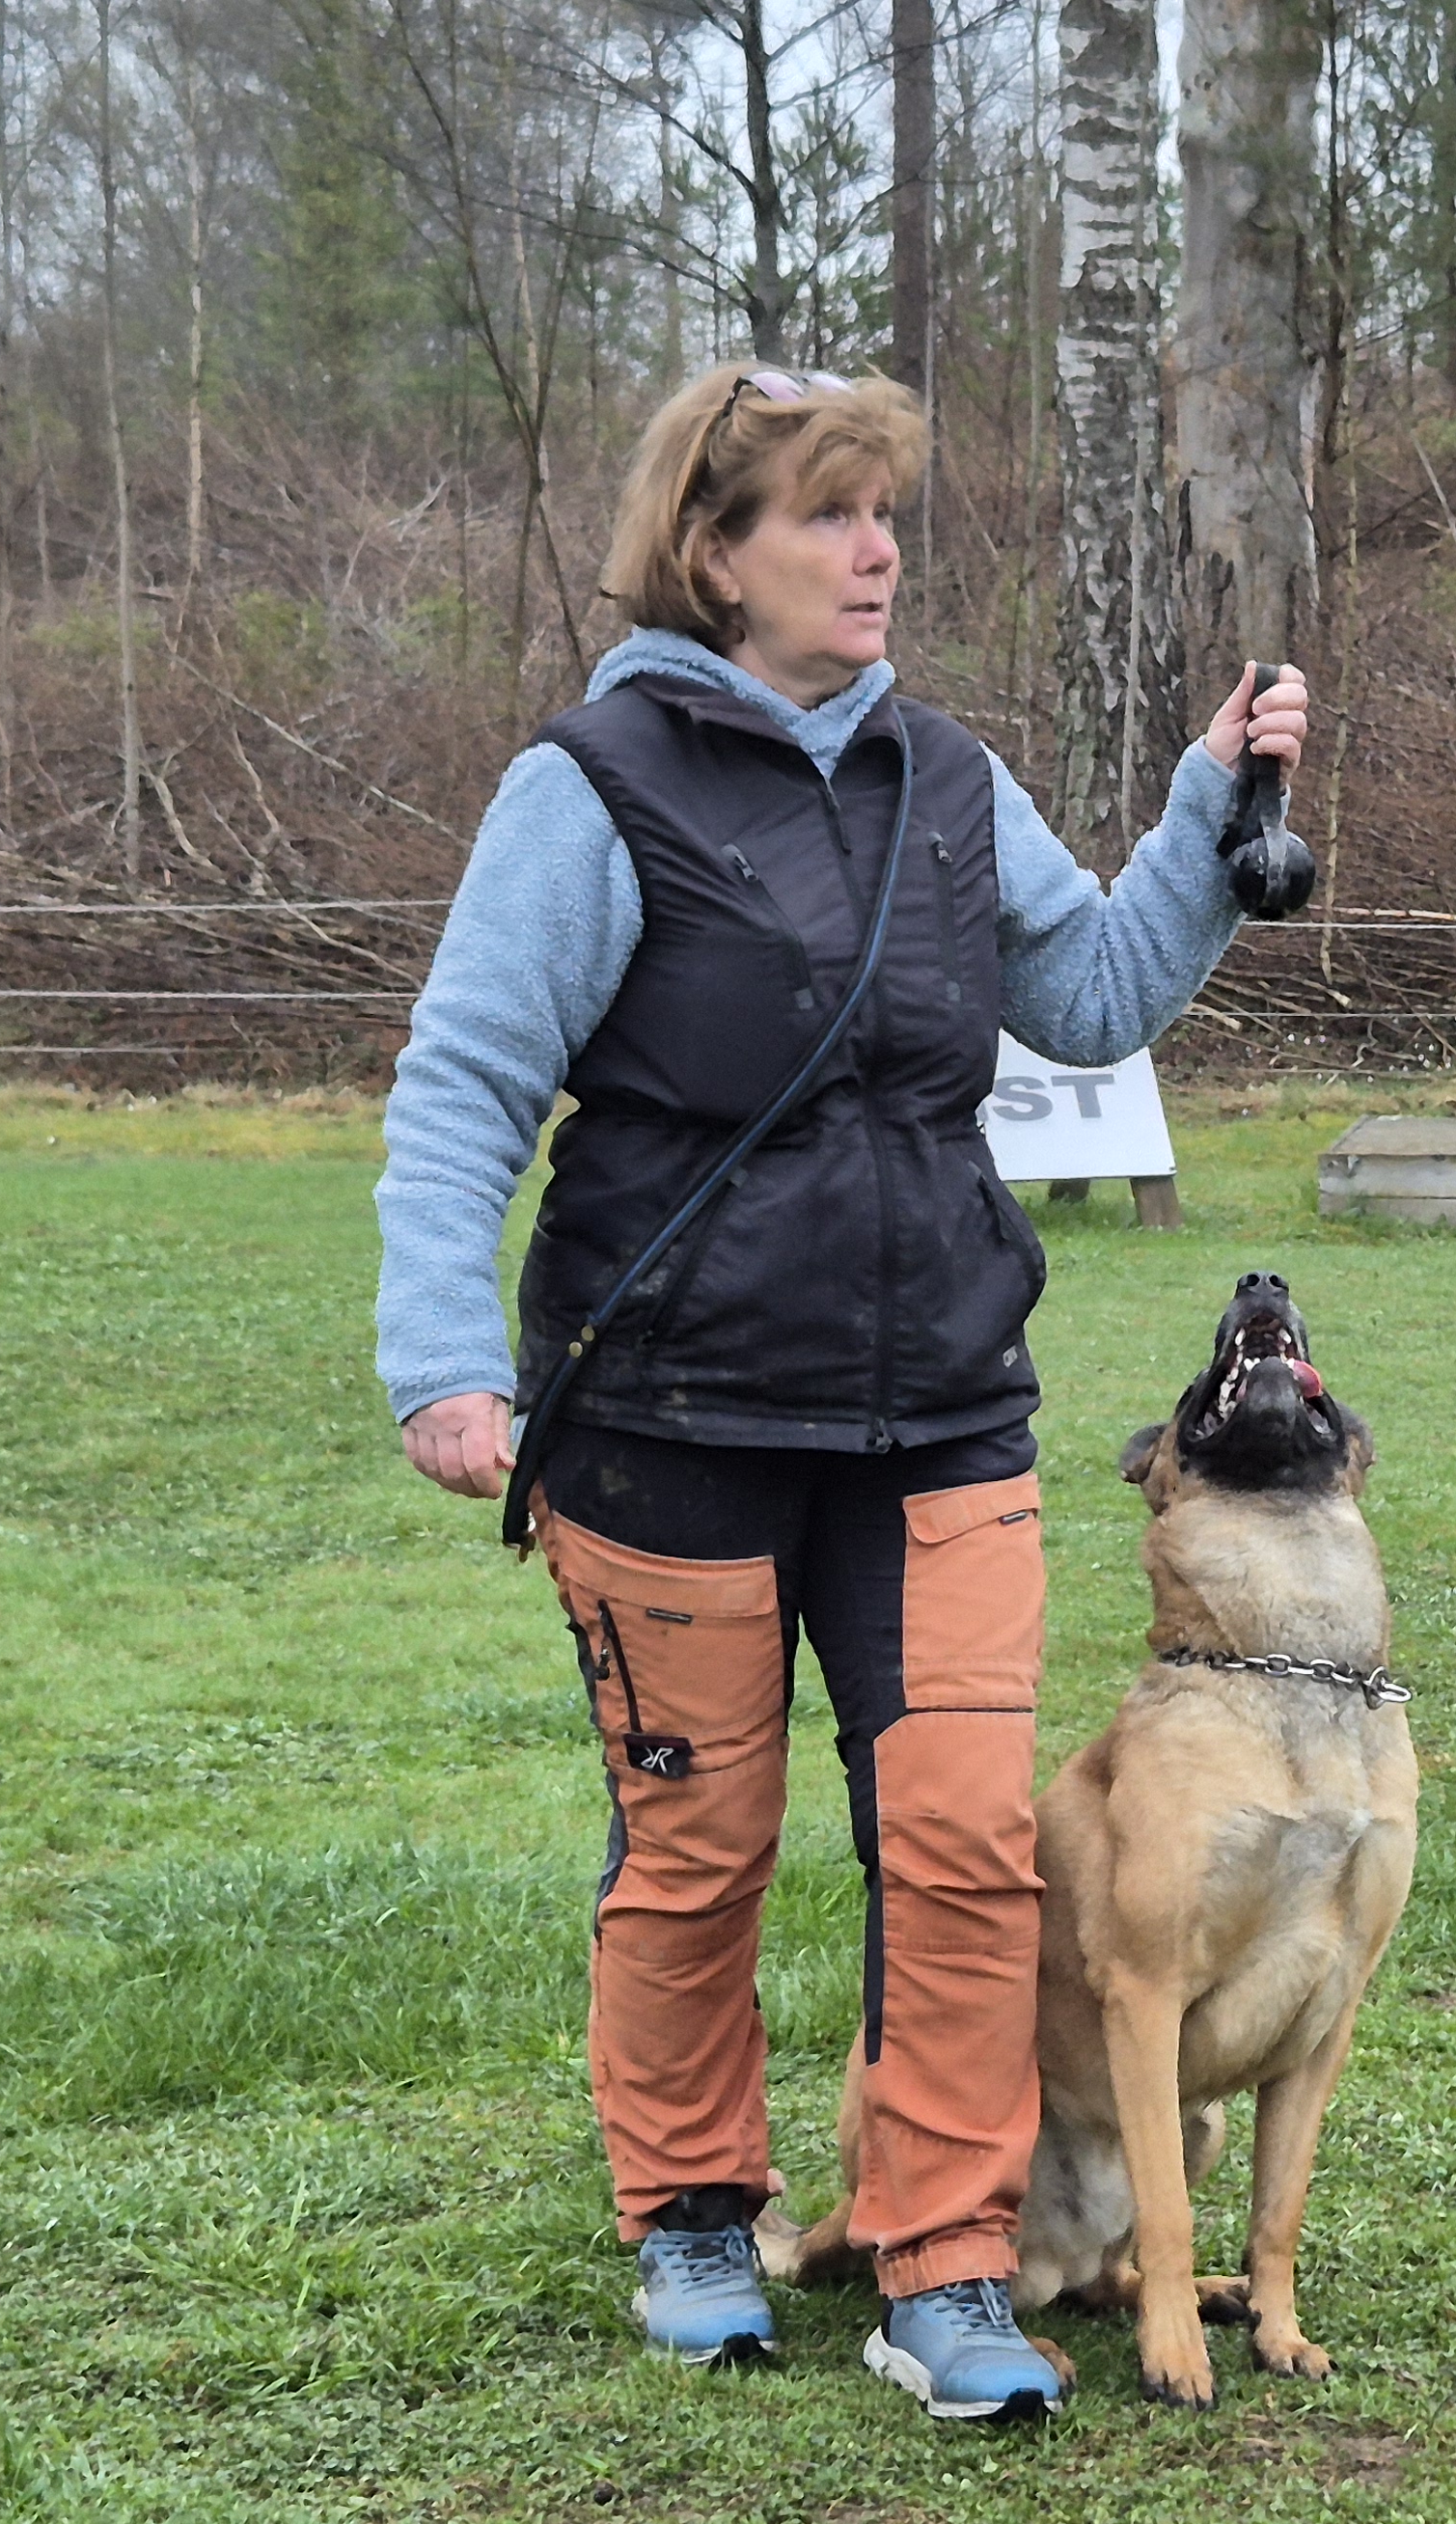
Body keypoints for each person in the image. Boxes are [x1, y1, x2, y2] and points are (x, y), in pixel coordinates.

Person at [372, 363, 1305, 2420]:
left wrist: (1200, 813)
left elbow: (1091, 994)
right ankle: (694, 2213)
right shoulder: (593, 788)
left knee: (967, 1840)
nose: (876, 552)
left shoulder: (944, 778)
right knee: (696, 1844)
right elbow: (465, 1086)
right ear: (713, 555)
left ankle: (943, 2254)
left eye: (885, 513)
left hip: (935, 1405)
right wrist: (441, 1357)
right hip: (669, 1416)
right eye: (825, 514)